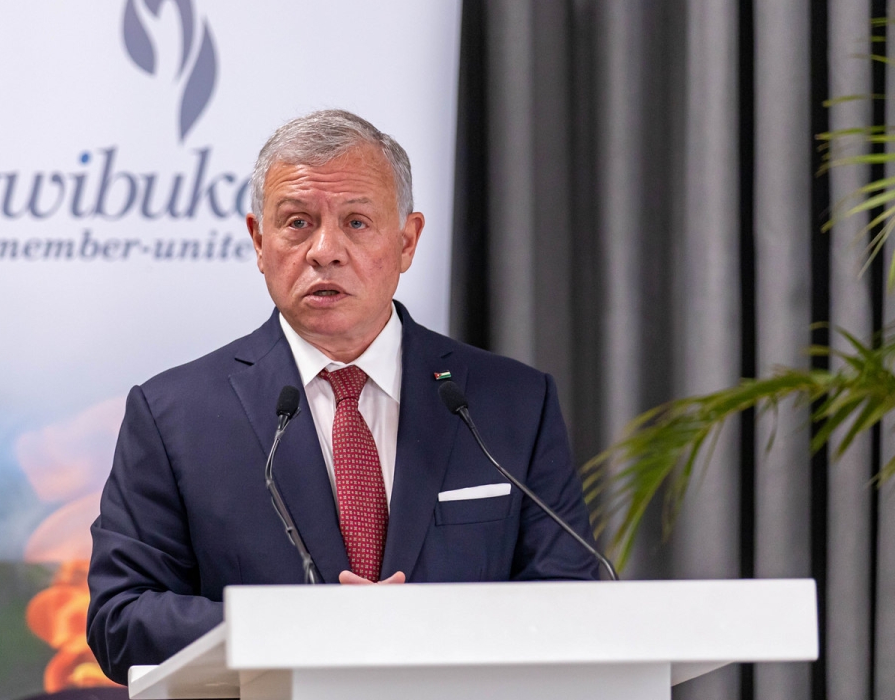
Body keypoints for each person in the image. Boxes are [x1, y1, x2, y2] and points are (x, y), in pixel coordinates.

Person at [86, 109, 598, 684]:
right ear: (259, 240)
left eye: (356, 223)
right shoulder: (173, 416)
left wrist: (433, 626)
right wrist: (296, 627)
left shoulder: (511, 403)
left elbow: (571, 594)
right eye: (298, 222)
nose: (324, 250)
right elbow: (120, 617)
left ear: (407, 242)